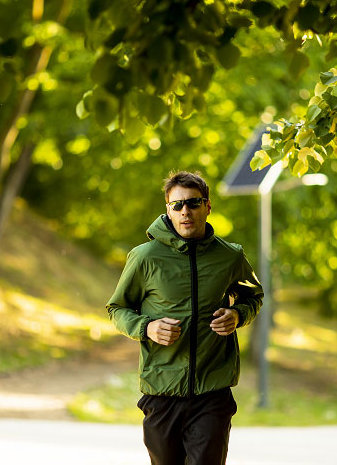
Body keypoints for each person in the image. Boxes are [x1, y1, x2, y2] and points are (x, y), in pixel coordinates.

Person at [106, 170, 263, 465]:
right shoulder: (144, 257)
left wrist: (237, 314)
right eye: (177, 205)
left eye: (193, 203)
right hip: (161, 390)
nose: (185, 211)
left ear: (207, 206)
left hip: (212, 392)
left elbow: (253, 296)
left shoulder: (230, 256)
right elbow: (117, 309)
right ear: (168, 209)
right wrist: (147, 327)